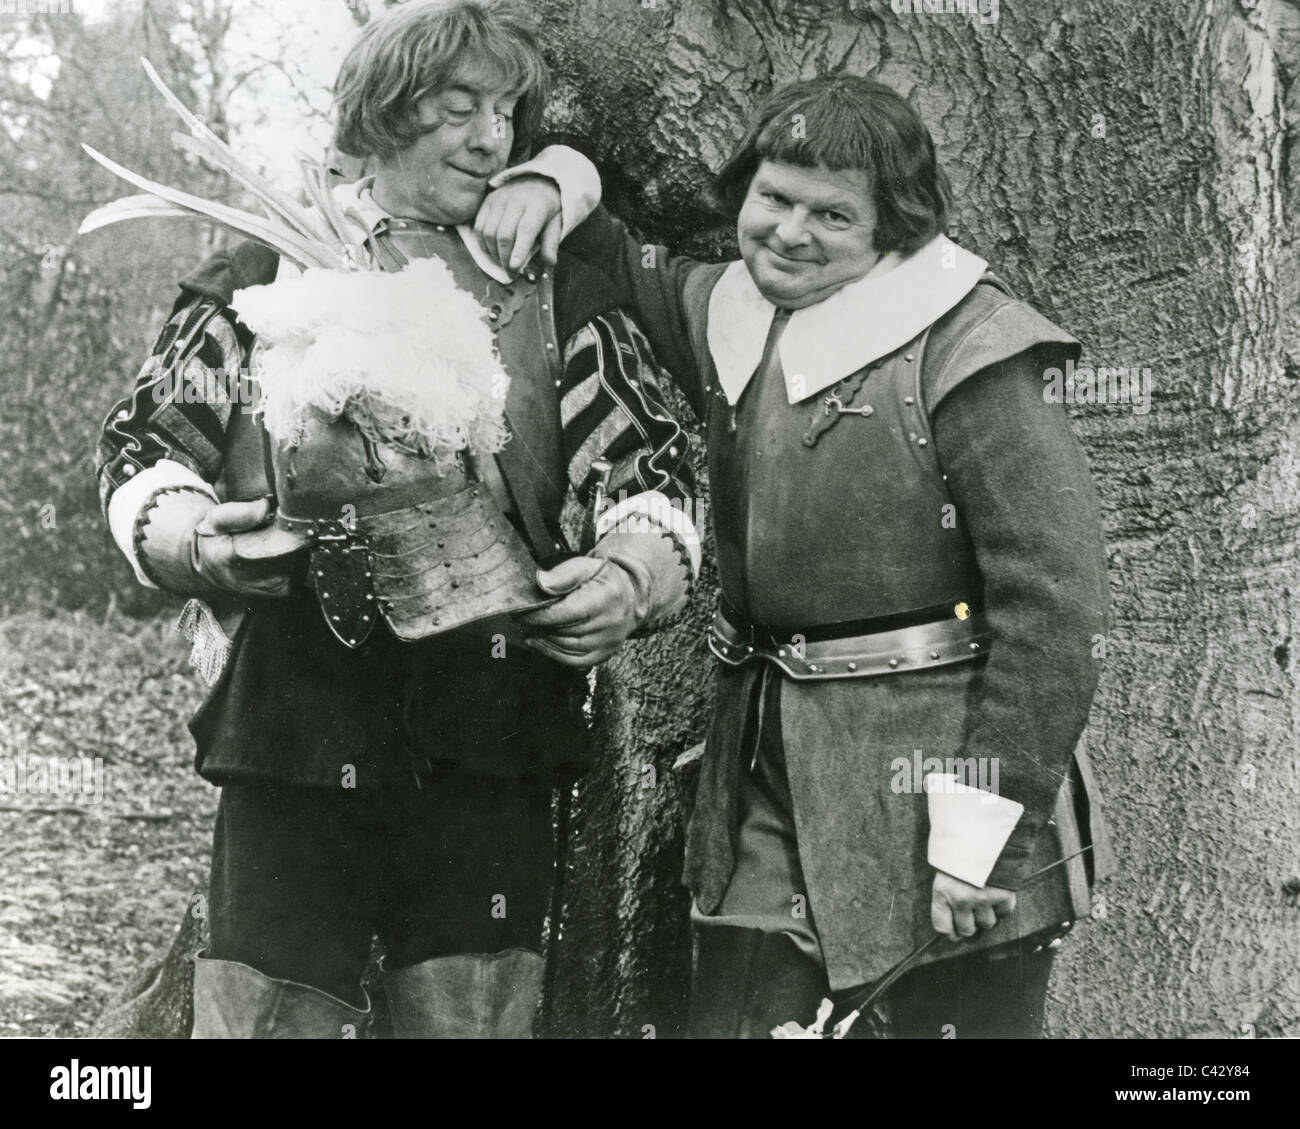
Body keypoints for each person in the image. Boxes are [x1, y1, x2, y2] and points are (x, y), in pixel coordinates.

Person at [93, 0, 699, 1039]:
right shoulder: (263, 264)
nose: (490, 138)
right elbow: (143, 442)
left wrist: (632, 571)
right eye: (457, 107)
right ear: (377, 115)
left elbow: (650, 457)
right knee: (264, 1016)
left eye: (505, 112)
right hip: (293, 712)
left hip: (493, 715)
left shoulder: (549, 284)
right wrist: (190, 536)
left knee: (471, 1017)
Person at [483, 72, 1114, 1037]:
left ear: (893, 230)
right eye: (772, 197)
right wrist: (554, 171)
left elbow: (1054, 607)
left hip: (938, 786)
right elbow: (606, 254)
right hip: (759, 777)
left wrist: (982, 830)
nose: (788, 232)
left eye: (833, 215)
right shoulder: (726, 309)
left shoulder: (969, 348)